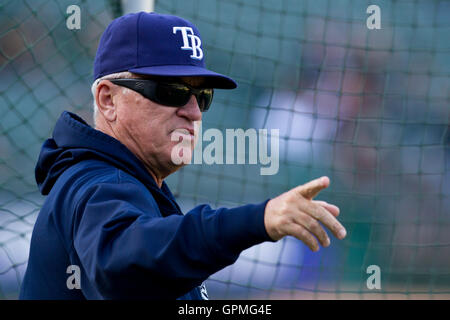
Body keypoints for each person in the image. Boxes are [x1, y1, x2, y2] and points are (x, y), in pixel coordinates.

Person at [19, 12, 346, 300]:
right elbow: (121, 266)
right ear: (108, 100)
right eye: (170, 91)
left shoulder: (141, 189)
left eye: (201, 96)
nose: (193, 112)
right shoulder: (96, 183)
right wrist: (256, 221)